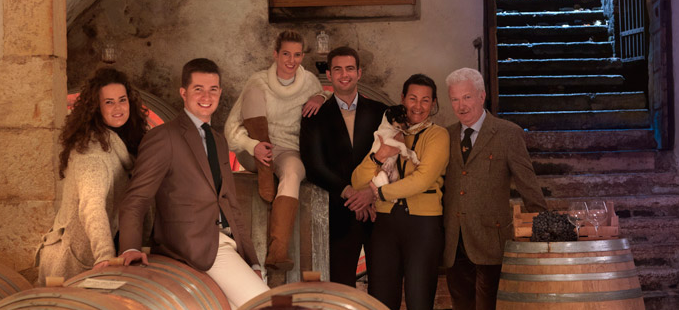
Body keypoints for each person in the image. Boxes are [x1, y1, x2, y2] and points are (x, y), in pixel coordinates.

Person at [117, 58, 269, 309]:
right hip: (192, 246)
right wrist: (129, 249)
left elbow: (230, 203)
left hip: (227, 244)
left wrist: (252, 261)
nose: (206, 96)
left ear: (220, 92)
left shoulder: (219, 141)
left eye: (213, 89)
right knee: (271, 305)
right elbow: (136, 199)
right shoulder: (164, 137)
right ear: (183, 93)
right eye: (198, 89)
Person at [442, 67, 547, 310]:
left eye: (467, 97)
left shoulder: (508, 134)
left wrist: (543, 230)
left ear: (482, 95)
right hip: (453, 242)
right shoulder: (444, 135)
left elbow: (528, 186)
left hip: (492, 241)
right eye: (455, 99)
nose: (461, 106)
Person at [224, 30, 330, 271]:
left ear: (303, 56)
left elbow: (324, 99)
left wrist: (321, 97)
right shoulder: (258, 80)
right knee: (253, 93)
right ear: (275, 54)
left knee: (292, 173)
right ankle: (264, 167)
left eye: (297, 55)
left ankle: (277, 252)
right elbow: (230, 131)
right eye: (285, 54)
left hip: (289, 151)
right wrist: (255, 146)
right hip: (255, 150)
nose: (291, 61)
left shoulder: (310, 81)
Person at [35, 68, 148, 285]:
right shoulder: (92, 152)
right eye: (109, 102)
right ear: (96, 108)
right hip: (73, 261)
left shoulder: (125, 140)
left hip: (92, 254)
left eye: (122, 100)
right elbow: (91, 206)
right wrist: (105, 254)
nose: (118, 108)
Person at [351, 74, 449, 310]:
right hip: (385, 226)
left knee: (419, 301)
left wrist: (376, 193)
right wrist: (380, 155)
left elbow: (422, 180)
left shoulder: (438, 135)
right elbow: (356, 180)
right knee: (381, 301)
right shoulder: (386, 132)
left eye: (426, 100)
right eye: (413, 98)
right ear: (402, 99)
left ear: (434, 103)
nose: (418, 106)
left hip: (423, 227)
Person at [299, 46, 387, 287]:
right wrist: (351, 194)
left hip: (378, 210)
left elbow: (391, 159)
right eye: (338, 69)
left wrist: (370, 194)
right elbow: (314, 165)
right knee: (341, 287)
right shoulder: (313, 116)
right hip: (338, 212)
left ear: (359, 73)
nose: (344, 74)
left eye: (350, 69)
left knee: (383, 286)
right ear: (329, 75)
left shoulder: (381, 112)